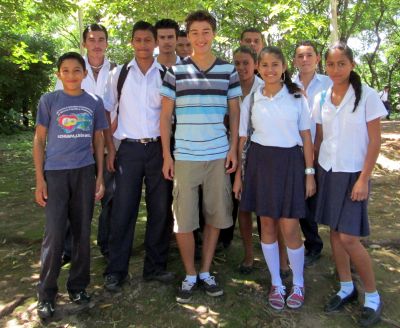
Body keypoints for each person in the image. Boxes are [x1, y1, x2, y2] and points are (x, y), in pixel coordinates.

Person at [160, 10, 241, 303]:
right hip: (184, 156)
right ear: (188, 36)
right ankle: (190, 274)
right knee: (183, 220)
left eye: (206, 31)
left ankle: (206, 272)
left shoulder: (228, 71)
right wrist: (167, 157)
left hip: (218, 156)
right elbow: (166, 116)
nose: (200, 37)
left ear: (214, 34)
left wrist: (233, 150)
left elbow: (234, 112)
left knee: (216, 216)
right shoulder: (175, 72)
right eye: (195, 32)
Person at [233, 46, 316, 310]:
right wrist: (238, 176)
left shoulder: (296, 97)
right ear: (258, 66)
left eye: (275, 64)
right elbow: (243, 139)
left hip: (290, 163)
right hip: (259, 164)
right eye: (265, 64)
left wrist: (309, 174)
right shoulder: (252, 99)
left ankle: (299, 282)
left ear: (283, 68)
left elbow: (306, 137)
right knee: (267, 225)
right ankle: (277, 283)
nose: (270, 70)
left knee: (289, 227)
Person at [313, 42, 386, 327]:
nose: (335, 69)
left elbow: (376, 140)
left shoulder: (366, 95)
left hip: (354, 173)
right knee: (334, 232)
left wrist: (364, 178)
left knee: (349, 238)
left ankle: (372, 295)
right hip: (328, 171)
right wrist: (311, 172)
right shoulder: (321, 97)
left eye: (341, 63)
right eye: (330, 64)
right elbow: (319, 138)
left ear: (351, 64)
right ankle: (346, 287)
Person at [33, 52, 108, 319]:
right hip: (55, 174)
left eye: (77, 70)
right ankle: (46, 294)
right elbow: (39, 141)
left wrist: (99, 176)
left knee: (82, 233)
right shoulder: (49, 101)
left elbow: (99, 140)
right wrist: (40, 179)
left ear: (85, 74)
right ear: (58, 74)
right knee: (53, 236)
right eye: (65, 70)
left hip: (84, 172)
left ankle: (78, 286)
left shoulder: (94, 102)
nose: (71, 75)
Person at [103, 21, 174, 292]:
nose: (143, 45)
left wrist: (169, 155)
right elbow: (109, 112)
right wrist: (111, 148)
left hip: (158, 149)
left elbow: (171, 116)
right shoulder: (118, 74)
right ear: (131, 42)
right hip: (128, 150)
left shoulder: (166, 74)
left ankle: (155, 267)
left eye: (148, 40)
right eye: (138, 40)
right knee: (123, 210)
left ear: (155, 43)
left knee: (160, 209)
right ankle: (116, 270)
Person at [56, 23, 115, 262]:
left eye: (101, 39)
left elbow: (117, 109)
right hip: (77, 145)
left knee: (109, 195)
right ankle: (69, 248)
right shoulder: (72, 69)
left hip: (109, 143)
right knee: (74, 198)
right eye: (92, 39)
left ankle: (107, 243)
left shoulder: (117, 71)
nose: (97, 44)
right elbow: (62, 108)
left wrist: (108, 144)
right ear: (84, 43)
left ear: (107, 43)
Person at [293, 40, 332, 266]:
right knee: (303, 200)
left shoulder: (329, 83)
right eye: (300, 56)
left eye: (309, 55)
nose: (305, 59)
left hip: (326, 152)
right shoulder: (288, 84)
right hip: (296, 151)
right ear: (295, 60)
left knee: (323, 198)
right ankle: (313, 244)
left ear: (318, 58)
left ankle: (345, 245)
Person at [232, 45, 263, 273]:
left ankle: (277, 256)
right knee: (243, 206)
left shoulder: (266, 88)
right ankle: (249, 254)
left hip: (262, 156)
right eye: (238, 63)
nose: (241, 68)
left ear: (255, 65)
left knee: (266, 208)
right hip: (234, 154)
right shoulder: (227, 88)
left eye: (246, 63)